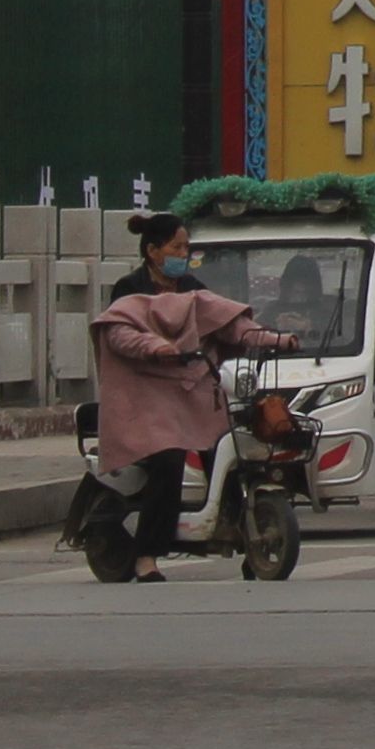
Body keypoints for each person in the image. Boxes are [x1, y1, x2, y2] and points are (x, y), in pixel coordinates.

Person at [89, 214, 282, 582]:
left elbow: (225, 321)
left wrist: (272, 338)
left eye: (186, 247)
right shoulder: (129, 289)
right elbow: (120, 336)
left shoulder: (190, 287)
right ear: (152, 251)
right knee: (169, 459)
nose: (183, 254)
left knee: (227, 444)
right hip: (145, 399)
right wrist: (156, 348)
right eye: (177, 247)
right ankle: (147, 556)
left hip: (188, 394)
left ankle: (239, 532)